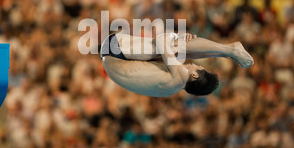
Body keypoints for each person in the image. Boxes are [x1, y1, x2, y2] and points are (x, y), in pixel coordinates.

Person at [100, 32, 253, 97]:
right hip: (112, 59)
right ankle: (227, 52)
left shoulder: (182, 76)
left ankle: (229, 50)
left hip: (114, 50)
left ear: (194, 75)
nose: (193, 64)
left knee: (177, 46)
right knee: (177, 51)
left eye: (198, 67)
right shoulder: (172, 89)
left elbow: (161, 39)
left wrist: (177, 36)